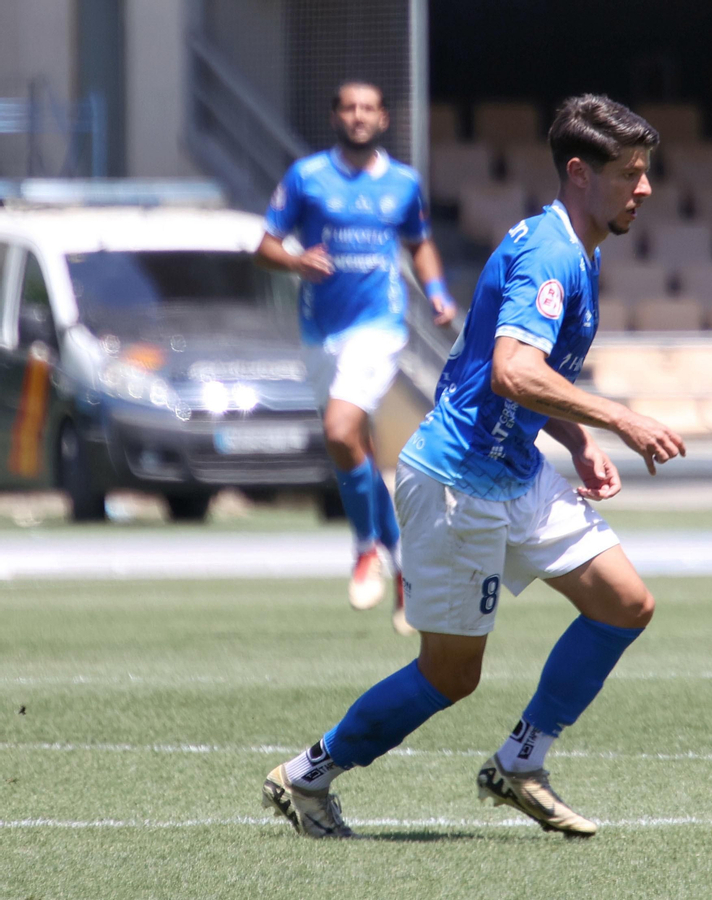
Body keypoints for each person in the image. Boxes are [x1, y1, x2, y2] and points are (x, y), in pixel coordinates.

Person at [262, 94, 686, 839]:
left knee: (625, 603)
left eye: (645, 173)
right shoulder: (552, 254)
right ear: (580, 173)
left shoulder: (575, 247)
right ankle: (306, 776)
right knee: (451, 675)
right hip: (456, 481)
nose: (644, 189)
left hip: (514, 469)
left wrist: (575, 440)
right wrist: (618, 419)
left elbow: (525, 373)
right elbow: (511, 371)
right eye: (630, 174)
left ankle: (520, 762)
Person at [256, 80, 457, 634]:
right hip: (320, 331)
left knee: (341, 430)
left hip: (379, 327)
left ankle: (366, 547)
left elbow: (419, 242)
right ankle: (405, 569)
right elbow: (265, 247)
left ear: (383, 119)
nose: (358, 116)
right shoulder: (307, 177)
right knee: (353, 448)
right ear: (335, 116)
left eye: (368, 108)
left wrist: (437, 291)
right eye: (349, 108)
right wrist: (295, 262)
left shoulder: (403, 183)